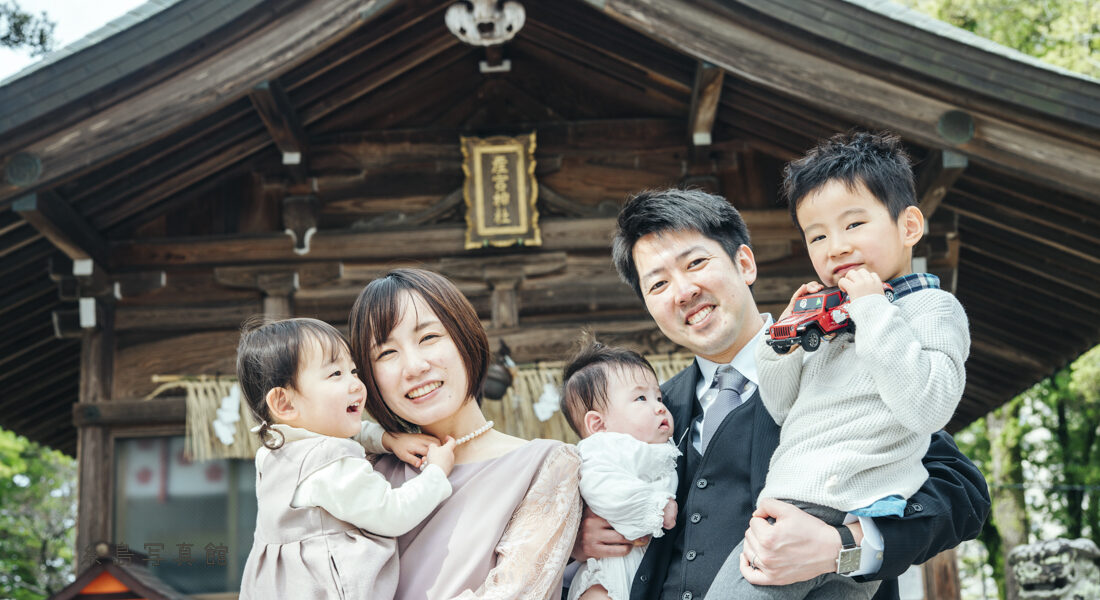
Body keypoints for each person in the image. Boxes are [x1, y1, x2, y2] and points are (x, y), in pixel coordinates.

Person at [572, 181, 989, 600]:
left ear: (745, 264)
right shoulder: (650, 409)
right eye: (657, 285)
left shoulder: (844, 359)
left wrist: (843, 546)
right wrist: (579, 534)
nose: (683, 292)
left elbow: (961, 492)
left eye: (696, 263)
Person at [708, 131, 970, 599]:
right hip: (793, 503)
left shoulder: (933, 308)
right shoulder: (831, 322)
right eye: (818, 235)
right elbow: (783, 407)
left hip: (855, 515)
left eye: (853, 225)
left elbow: (928, 408)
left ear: (909, 227)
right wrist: (783, 338)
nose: (836, 247)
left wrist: (871, 310)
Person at [349, 267, 582, 600]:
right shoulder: (361, 469)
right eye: (387, 353)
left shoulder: (548, 464)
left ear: (465, 337)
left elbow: (518, 592)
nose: (413, 367)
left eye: (428, 338)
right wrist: (382, 440)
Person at [236, 317, 456, 600]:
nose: (356, 384)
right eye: (335, 374)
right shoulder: (332, 467)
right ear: (285, 403)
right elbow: (392, 513)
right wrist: (436, 472)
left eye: (353, 370)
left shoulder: (275, 450)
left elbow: (344, 433)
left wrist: (386, 439)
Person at [560, 342, 681, 600]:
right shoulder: (603, 447)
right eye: (641, 398)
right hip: (609, 570)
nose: (660, 406)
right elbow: (601, 486)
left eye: (658, 397)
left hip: (643, 568)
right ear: (598, 424)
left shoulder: (657, 447)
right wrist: (654, 506)